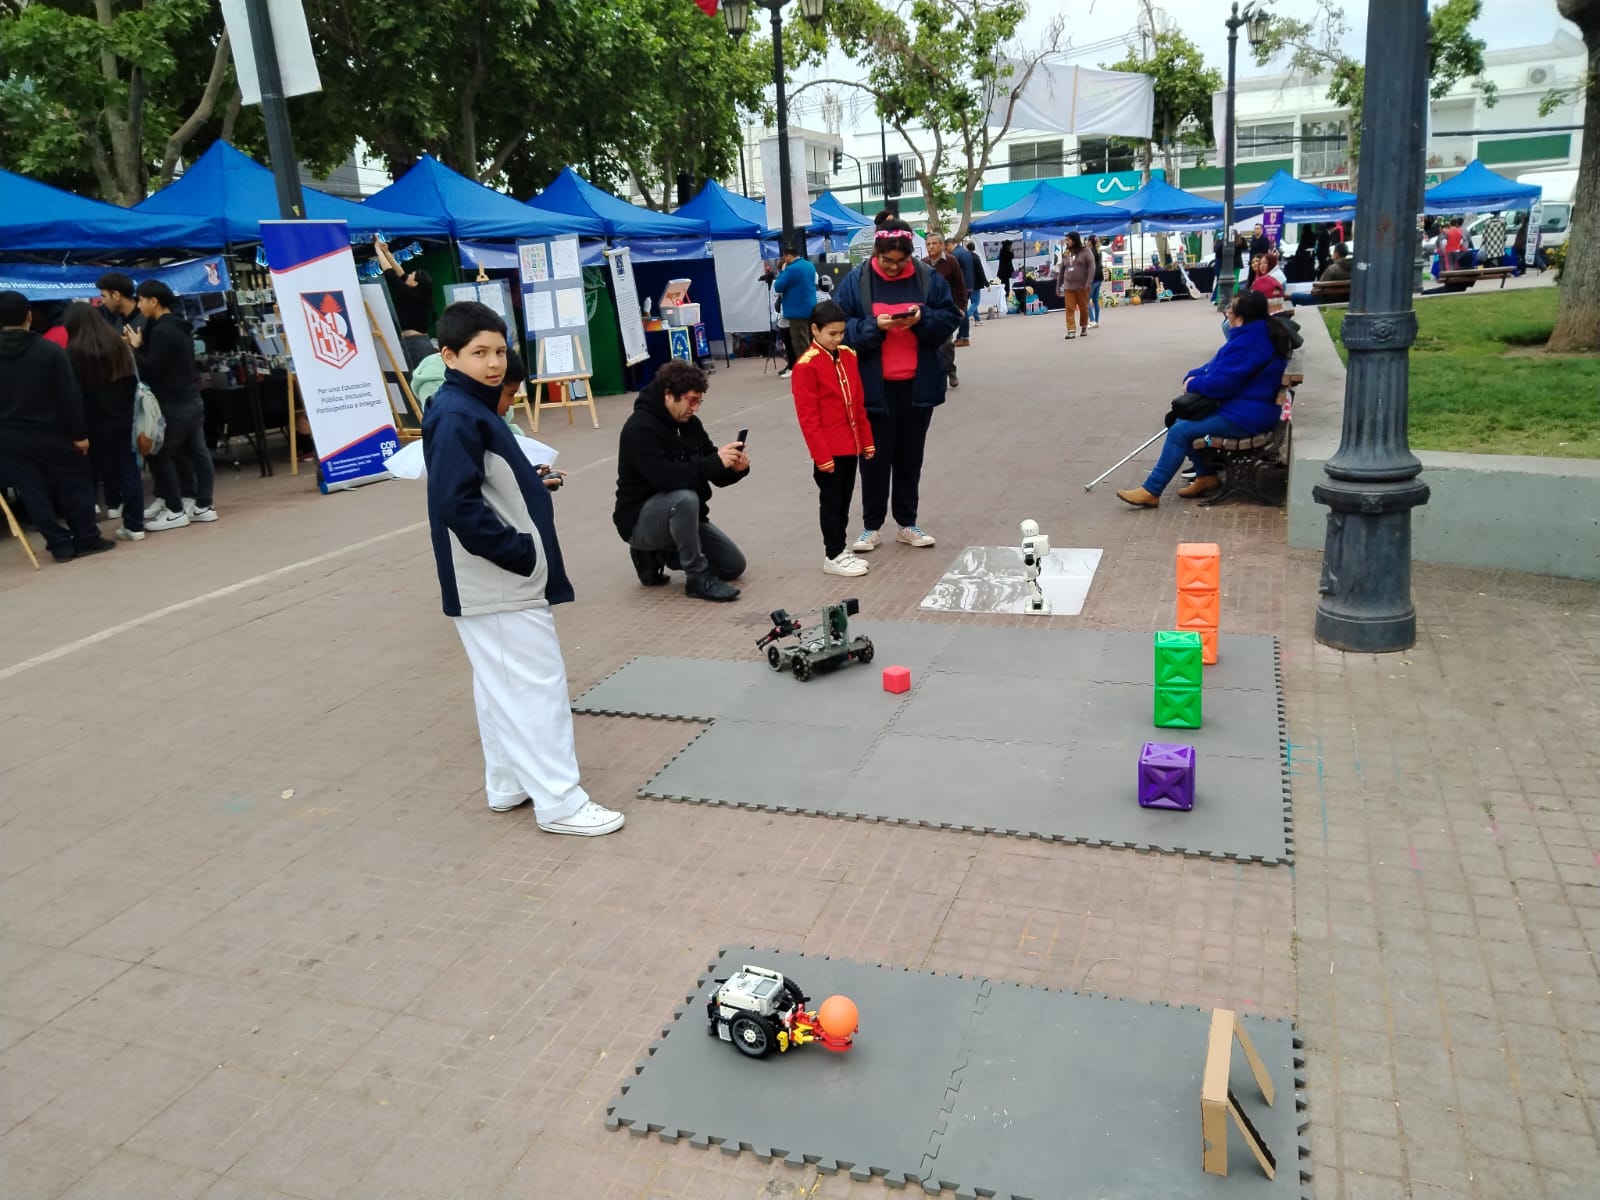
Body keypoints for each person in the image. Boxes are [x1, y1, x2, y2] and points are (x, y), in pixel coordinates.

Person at [422, 301, 621, 836]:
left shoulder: (469, 407)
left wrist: (528, 483)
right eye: (478, 353)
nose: (492, 362)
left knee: (500, 685)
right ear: (449, 356)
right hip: (499, 579)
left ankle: (508, 782)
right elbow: (455, 503)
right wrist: (518, 551)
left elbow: (475, 486)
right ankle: (560, 802)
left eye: (498, 350)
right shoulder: (460, 412)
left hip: (496, 579)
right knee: (534, 686)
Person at [835, 216, 961, 554]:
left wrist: (922, 320)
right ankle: (871, 527)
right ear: (876, 253)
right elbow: (837, 327)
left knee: (909, 457)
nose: (893, 267)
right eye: (886, 261)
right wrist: (873, 327)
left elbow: (949, 319)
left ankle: (907, 523)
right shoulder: (857, 281)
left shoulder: (927, 278)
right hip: (872, 388)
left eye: (900, 261)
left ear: (911, 255)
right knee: (874, 459)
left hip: (917, 387)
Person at [1115, 289, 1290, 508]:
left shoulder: (1249, 343)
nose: (1226, 311)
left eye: (1230, 308)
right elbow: (1215, 367)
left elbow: (1220, 385)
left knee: (1180, 431)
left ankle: (1152, 490)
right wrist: (1195, 375)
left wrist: (1192, 383)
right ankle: (1206, 476)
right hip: (1244, 409)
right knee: (1178, 421)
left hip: (1246, 418)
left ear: (1241, 317)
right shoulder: (1254, 335)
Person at [613, 360, 749, 602]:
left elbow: (711, 465)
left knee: (733, 566)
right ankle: (697, 577)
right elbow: (665, 477)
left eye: (699, 401)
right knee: (684, 497)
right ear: (669, 395)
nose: (695, 408)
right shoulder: (640, 428)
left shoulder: (690, 425)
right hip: (639, 520)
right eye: (691, 400)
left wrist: (733, 468)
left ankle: (656, 554)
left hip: (682, 518)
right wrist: (712, 463)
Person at [0, 291, 116, 563]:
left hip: (10, 436)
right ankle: (86, 537)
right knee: (74, 484)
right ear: (29, 315)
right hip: (54, 431)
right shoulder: (49, 351)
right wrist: (80, 434)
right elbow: (69, 396)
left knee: (32, 491)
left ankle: (59, 544)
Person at [792, 299, 875, 578]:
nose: (838, 339)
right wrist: (821, 456)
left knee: (845, 500)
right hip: (828, 448)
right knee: (831, 501)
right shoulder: (807, 366)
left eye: (841, 333)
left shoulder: (849, 356)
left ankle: (840, 548)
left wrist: (866, 440)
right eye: (832, 334)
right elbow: (808, 418)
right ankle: (833, 553)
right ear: (815, 330)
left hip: (849, 444)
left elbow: (858, 402)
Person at [126, 280, 215, 529]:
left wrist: (135, 349)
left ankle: (175, 510)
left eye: (141, 300)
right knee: (197, 452)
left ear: (153, 301)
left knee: (160, 453)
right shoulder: (180, 327)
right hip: (192, 398)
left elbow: (154, 369)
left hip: (174, 402)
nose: (139, 305)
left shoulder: (163, 331)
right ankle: (204, 505)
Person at [63, 302, 145, 541]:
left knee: (88, 478)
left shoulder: (72, 353)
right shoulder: (118, 346)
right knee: (129, 470)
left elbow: (72, 395)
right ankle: (135, 525)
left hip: (91, 424)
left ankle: (88, 529)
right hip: (123, 417)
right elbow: (132, 381)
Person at [373, 236, 435, 369]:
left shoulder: (409, 294)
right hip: (418, 342)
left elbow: (390, 274)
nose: (407, 275)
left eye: (411, 275)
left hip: (415, 344)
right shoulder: (417, 294)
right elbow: (401, 274)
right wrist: (387, 253)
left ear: (415, 282)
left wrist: (378, 251)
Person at [923, 230, 966, 388]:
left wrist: (961, 307)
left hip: (947, 310)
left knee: (946, 344)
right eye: (928, 244)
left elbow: (960, 286)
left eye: (934, 243)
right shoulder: (922, 263)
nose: (931, 246)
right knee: (930, 345)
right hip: (928, 311)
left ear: (941, 245)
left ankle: (950, 370)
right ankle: (935, 374)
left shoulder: (951, 261)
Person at [771, 244, 818, 380]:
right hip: (810, 308)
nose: (785, 260)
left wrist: (783, 271)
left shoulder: (791, 269)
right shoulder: (809, 265)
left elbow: (778, 286)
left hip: (796, 311)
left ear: (788, 256)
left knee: (800, 342)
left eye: (785, 257)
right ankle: (815, 367)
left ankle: (806, 372)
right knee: (811, 340)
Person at [1055, 231, 1094, 340]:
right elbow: (1062, 270)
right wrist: (1058, 286)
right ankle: (1071, 330)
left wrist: (1088, 282)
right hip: (1069, 286)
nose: (1066, 242)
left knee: (1083, 308)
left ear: (1074, 240)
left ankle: (1084, 326)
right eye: (1065, 240)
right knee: (1069, 308)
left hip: (1083, 286)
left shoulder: (1086, 251)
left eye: (1068, 240)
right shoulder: (1066, 253)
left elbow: (1092, 267)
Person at [95, 272, 145, 338]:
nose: (103, 301)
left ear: (116, 295)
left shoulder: (148, 317)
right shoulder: (112, 318)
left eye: (104, 296)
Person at [951, 237, 980, 345]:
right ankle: (961, 336)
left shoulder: (956, 255)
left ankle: (964, 337)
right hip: (969, 285)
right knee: (963, 310)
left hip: (961, 287)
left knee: (962, 311)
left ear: (950, 244)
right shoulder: (966, 253)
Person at [1087, 235, 1105, 328]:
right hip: (1100, 276)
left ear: (1090, 242)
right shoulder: (1099, 251)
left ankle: (1092, 320)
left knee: (1087, 300)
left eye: (1087, 240)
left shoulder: (1090, 251)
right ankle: (1096, 321)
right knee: (1095, 300)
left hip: (1093, 278)